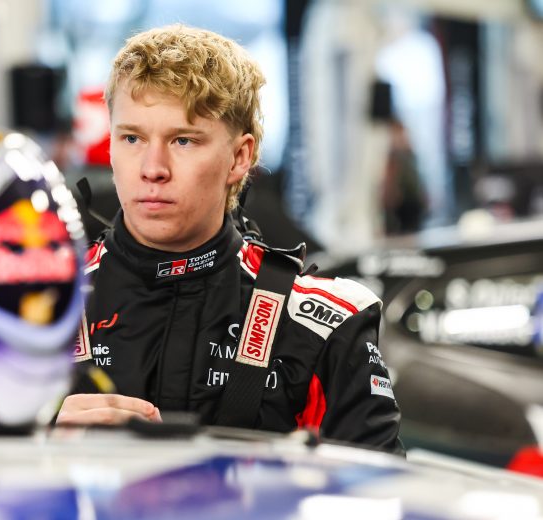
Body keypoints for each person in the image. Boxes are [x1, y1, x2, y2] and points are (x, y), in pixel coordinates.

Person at [56, 24, 402, 453]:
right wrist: (40, 446)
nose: (152, 168)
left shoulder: (326, 325)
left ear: (240, 157)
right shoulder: (37, 303)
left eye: (183, 140)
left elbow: (380, 488)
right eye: (132, 138)